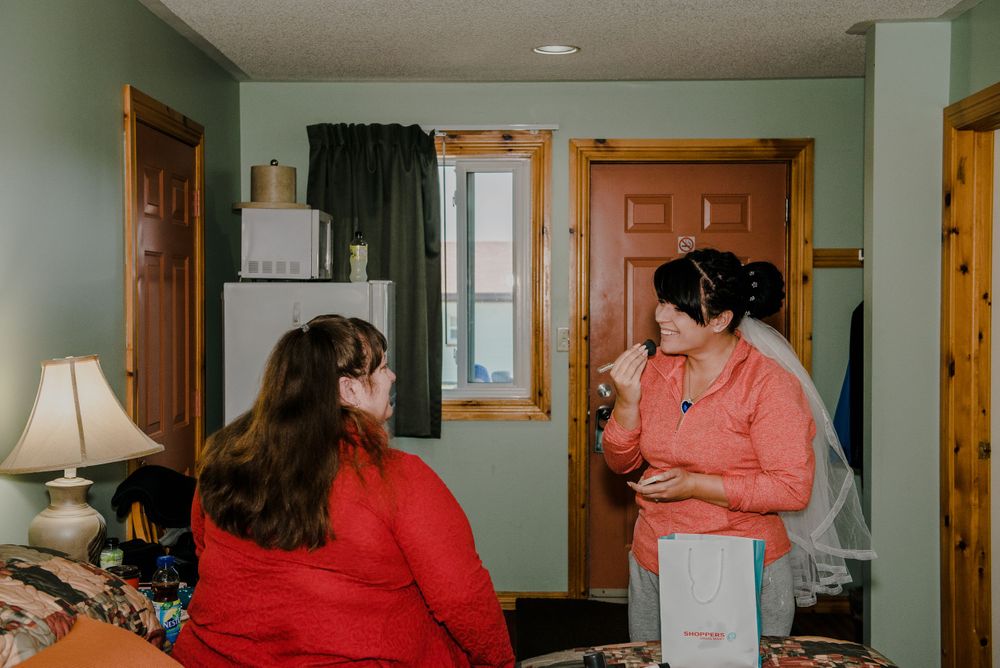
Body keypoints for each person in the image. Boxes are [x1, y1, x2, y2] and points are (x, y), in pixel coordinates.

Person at [172, 314, 514, 667]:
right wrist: (500, 663)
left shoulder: (223, 457)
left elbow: (204, 549)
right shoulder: (397, 477)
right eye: (382, 368)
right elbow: (463, 597)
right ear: (349, 391)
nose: (392, 377)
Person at [602, 248, 816, 640]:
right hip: (655, 559)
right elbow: (620, 463)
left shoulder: (769, 385)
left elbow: (792, 488)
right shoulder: (655, 372)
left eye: (677, 308)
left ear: (720, 319)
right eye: (662, 302)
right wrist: (627, 403)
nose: (660, 316)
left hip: (741, 565)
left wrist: (694, 485)